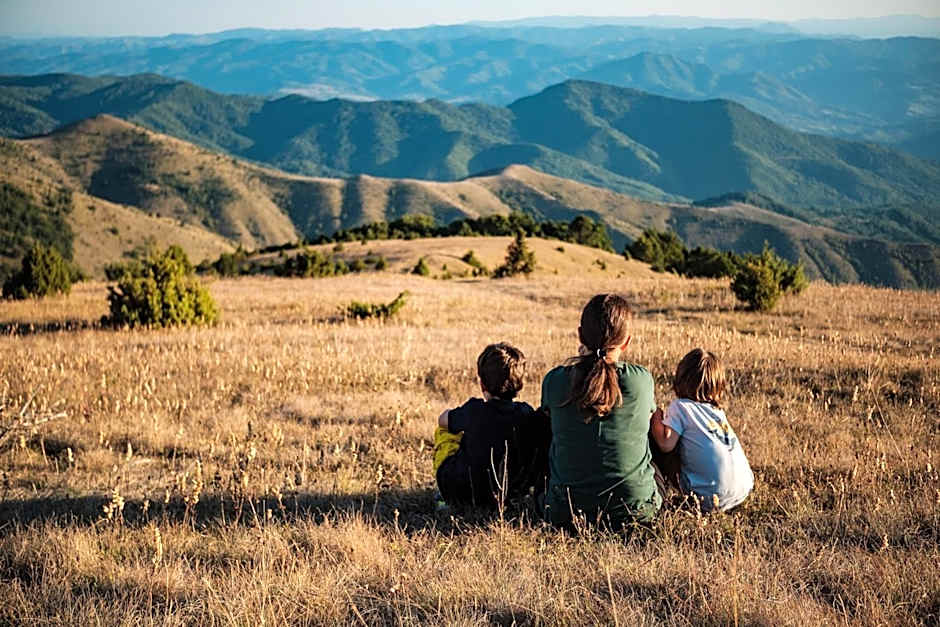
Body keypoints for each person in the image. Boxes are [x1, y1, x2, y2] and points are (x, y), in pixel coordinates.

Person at [540, 294, 661, 530]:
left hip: (566, 512)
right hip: (636, 510)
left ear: (580, 335)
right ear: (626, 342)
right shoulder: (640, 380)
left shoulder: (555, 381)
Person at [433, 343, 550, 508]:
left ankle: (445, 496)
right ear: (519, 386)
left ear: (482, 384)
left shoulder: (474, 410)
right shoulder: (526, 413)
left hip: (461, 491)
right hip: (510, 493)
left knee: (444, 431)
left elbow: (442, 420)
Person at [649, 348, 753, 512]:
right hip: (742, 489)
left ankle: (659, 491)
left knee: (660, 438)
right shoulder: (718, 412)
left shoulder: (682, 407)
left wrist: (655, 414)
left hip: (710, 496)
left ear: (680, 378)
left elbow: (665, 443)